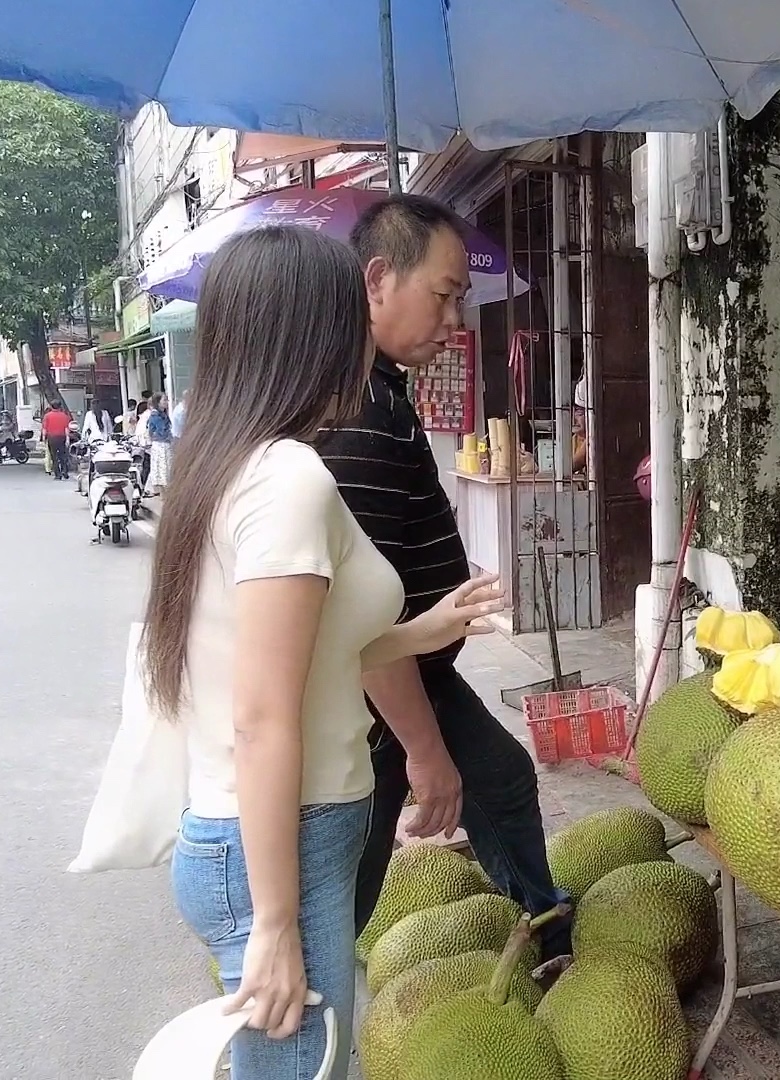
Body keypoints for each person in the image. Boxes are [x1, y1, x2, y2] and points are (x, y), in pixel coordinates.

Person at [140, 225, 503, 1078]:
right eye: (350, 317)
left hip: (273, 838)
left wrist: (426, 627)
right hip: (281, 844)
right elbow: (263, 718)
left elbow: (306, 658)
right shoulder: (288, 481)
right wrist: (274, 925)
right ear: (316, 334)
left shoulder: (224, 463)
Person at [315, 194, 572, 957]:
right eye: (446, 294)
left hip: (414, 671)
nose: (456, 320)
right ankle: (303, 1009)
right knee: (353, 868)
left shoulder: (381, 391)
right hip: (375, 684)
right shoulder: (356, 414)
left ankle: (546, 921)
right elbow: (360, 624)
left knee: (499, 775)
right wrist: (425, 754)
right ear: (377, 281)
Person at [144, 393, 174, 495]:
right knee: (163, 472)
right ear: (158, 402)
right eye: (164, 400)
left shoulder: (163, 414)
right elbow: (162, 431)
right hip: (161, 445)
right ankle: (164, 495)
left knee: (166, 470)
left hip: (165, 444)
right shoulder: (156, 416)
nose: (166, 402)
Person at [42, 401, 72, 480]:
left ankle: (57, 474)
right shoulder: (64, 416)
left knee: (54, 457)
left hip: (52, 438)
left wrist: (44, 438)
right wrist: (67, 439)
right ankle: (64, 471)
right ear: (60, 406)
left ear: (51, 406)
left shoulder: (47, 416)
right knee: (63, 455)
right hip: (62, 437)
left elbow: (44, 428)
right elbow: (66, 428)